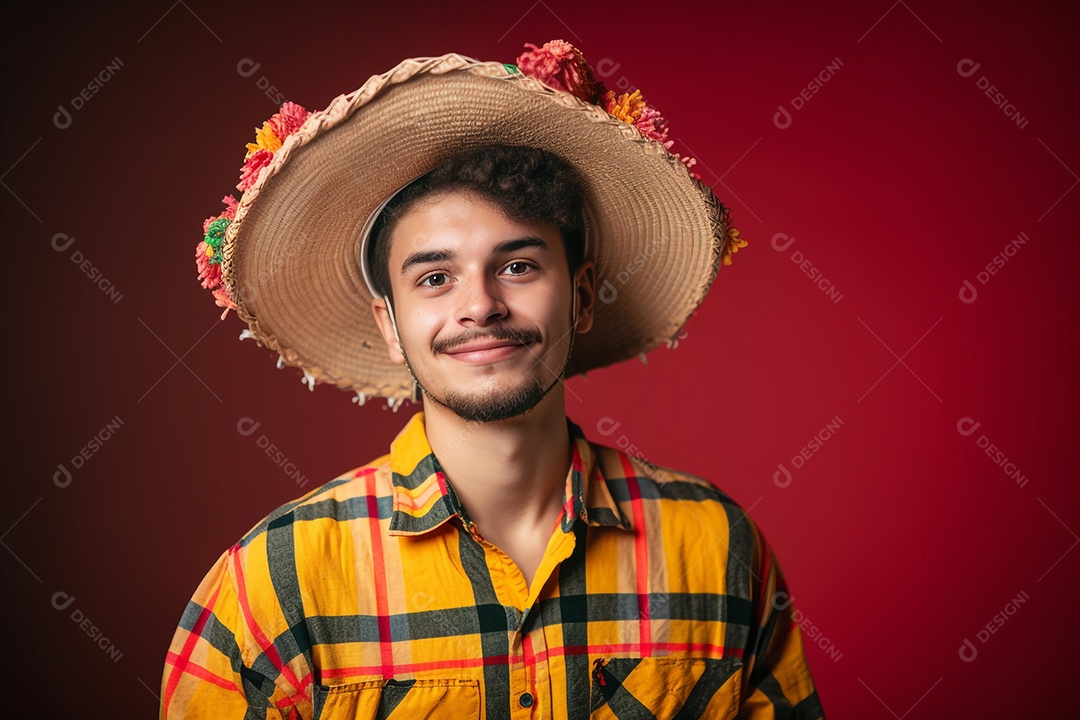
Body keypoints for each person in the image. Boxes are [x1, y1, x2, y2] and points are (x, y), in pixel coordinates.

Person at [163, 41, 824, 719]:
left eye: (517, 267)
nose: (479, 306)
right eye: (435, 278)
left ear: (583, 295)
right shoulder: (273, 584)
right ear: (390, 324)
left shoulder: (716, 548)